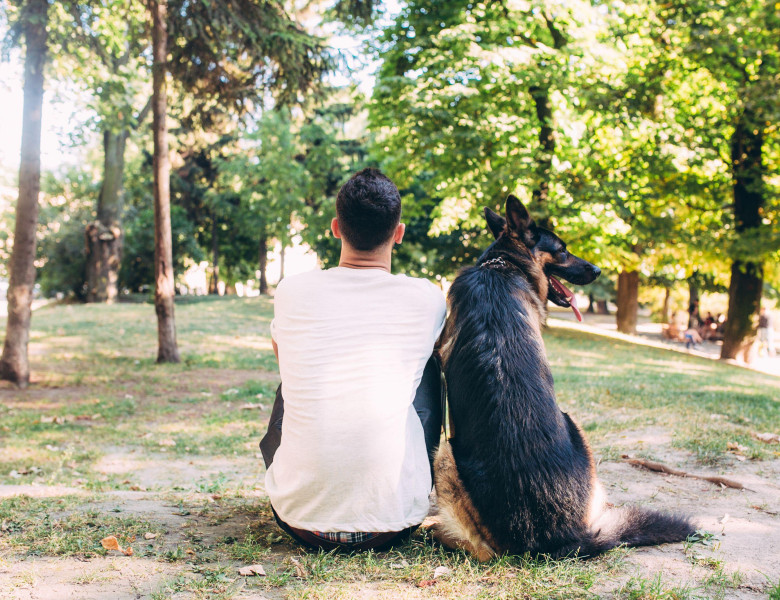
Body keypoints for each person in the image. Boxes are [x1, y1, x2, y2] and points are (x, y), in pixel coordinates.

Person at [259, 168, 446, 552]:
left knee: (293, 370)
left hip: (297, 519)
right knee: (428, 365)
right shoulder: (428, 298)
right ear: (399, 233)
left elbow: (284, 364)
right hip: (394, 523)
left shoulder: (292, 290)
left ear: (335, 228)